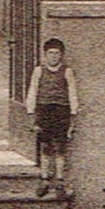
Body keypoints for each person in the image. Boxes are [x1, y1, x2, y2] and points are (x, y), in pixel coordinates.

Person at [26, 37, 79, 197]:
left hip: (61, 111)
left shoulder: (67, 71)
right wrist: (31, 111)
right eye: (51, 53)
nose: (54, 57)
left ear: (61, 55)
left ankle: (60, 181)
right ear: (45, 55)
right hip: (44, 110)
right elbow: (33, 91)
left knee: (60, 147)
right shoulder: (39, 71)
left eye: (57, 53)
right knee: (45, 146)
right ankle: (44, 179)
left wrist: (73, 113)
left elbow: (72, 92)